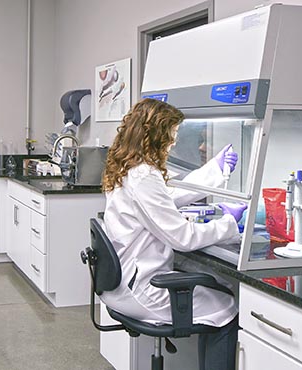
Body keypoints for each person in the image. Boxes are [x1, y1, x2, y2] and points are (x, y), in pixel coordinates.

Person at [100, 98, 247, 370]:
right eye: (172, 134)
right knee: (226, 308)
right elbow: (183, 238)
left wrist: (214, 169)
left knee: (216, 288)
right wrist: (228, 224)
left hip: (120, 283)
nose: (174, 142)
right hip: (140, 289)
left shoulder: (129, 168)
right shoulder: (143, 175)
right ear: (156, 134)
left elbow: (166, 198)